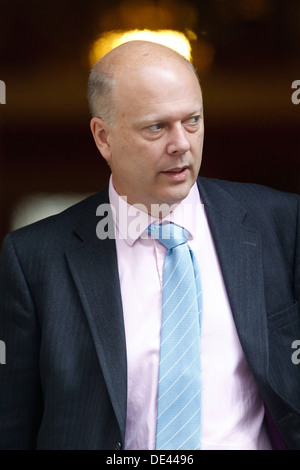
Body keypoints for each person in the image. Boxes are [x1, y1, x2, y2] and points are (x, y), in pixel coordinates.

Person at [0, 40, 299, 450]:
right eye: (156, 127)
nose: (181, 144)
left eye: (192, 121)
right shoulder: (34, 259)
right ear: (103, 137)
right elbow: (12, 425)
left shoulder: (282, 224)